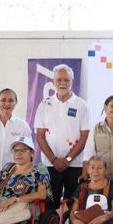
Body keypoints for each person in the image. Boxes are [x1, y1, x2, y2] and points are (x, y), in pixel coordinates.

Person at [34, 64, 90, 208]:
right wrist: (54, 160)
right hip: (49, 164)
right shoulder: (44, 104)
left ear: (72, 81)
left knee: (72, 206)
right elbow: (40, 136)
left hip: (74, 164)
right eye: (59, 79)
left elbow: (85, 136)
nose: (62, 83)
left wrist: (67, 159)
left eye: (66, 80)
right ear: (53, 82)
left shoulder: (81, 105)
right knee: (50, 206)